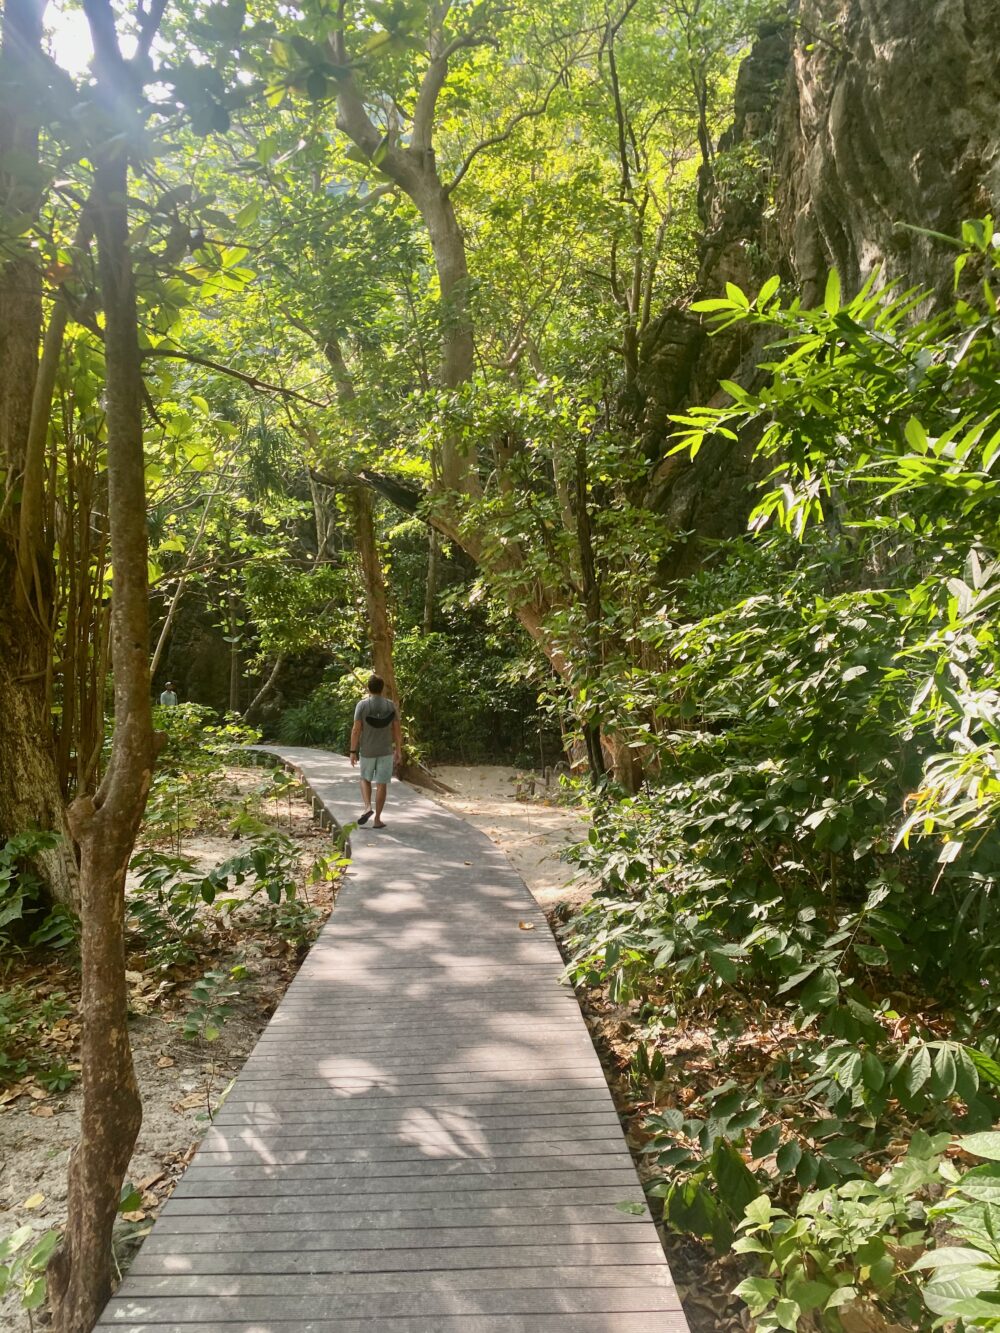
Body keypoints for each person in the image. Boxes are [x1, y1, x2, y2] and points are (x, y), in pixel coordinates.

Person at [349, 674, 402, 829]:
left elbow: (356, 730)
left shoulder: (362, 705)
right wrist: (398, 750)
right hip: (385, 750)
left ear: (368, 688)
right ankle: (377, 819)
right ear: (382, 688)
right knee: (381, 784)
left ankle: (367, 807)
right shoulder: (390, 706)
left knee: (364, 779)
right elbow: (397, 731)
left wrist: (352, 751)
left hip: (367, 751)